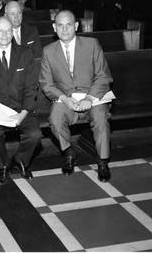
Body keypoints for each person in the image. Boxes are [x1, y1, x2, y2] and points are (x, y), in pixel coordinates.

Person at [39, 10, 113, 182]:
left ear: (77, 26)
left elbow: (103, 76)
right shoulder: (49, 51)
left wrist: (89, 98)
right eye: (60, 25)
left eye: (69, 24)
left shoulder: (92, 44)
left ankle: (103, 161)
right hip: (66, 99)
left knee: (101, 118)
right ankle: (68, 151)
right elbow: (46, 83)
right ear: (54, 27)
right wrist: (64, 99)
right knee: (55, 119)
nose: (64, 29)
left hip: (92, 97)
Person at [0, 17, 41, 185]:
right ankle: (3, 165)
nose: (4, 34)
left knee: (35, 135)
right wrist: (1, 112)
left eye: (8, 30)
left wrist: (23, 112)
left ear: (13, 32)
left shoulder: (25, 53)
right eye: (0, 31)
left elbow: (31, 87)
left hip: (22, 109)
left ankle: (20, 161)